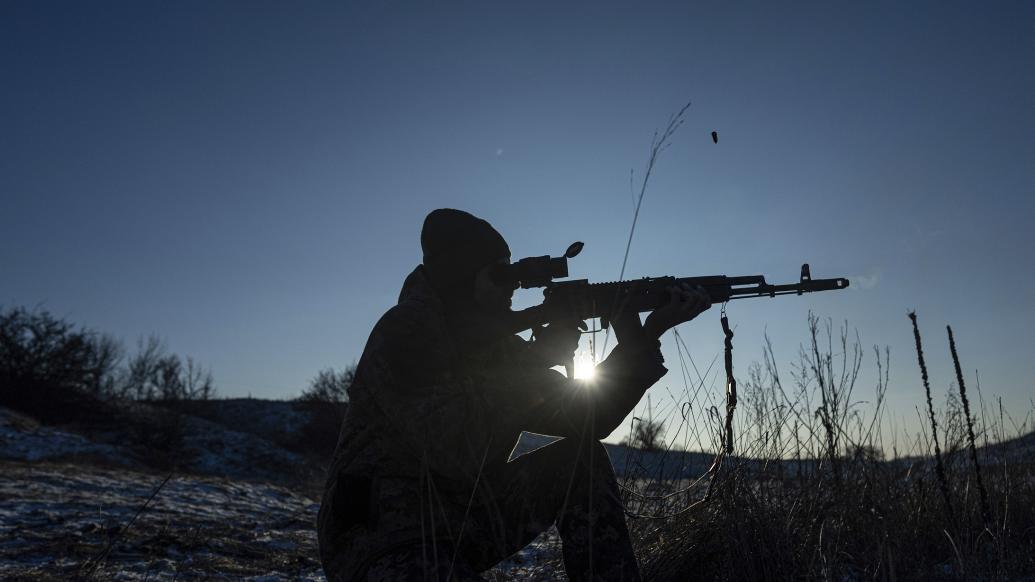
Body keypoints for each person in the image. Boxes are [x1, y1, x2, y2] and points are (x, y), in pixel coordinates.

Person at [317, 209, 709, 581]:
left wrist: (646, 334)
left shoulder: (500, 347)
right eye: (499, 276)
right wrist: (535, 361)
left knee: (577, 456)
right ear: (459, 277)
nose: (513, 289)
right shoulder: (405, 332)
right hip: (381, 537)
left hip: (456, 519)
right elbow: (456, 450)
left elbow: (589, 418)